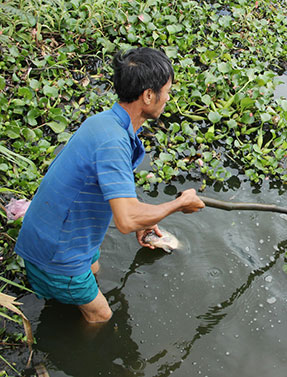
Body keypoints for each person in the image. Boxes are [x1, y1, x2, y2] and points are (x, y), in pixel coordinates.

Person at [14, 47, 205, 323]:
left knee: (94, 267)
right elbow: (126, 221)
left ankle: (64, 297)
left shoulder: (105, 123)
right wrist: (178, 204)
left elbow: (119, 198)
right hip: (54, 253)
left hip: (47, 235)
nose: (168, 98)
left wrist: (144, 221)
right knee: (101, 316)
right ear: (148, 96)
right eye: (167, 91)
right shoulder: (113, 142)